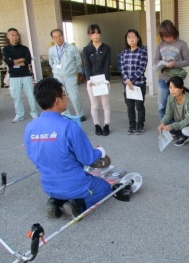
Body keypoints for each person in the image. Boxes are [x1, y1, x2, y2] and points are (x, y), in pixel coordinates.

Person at [24, 78, 113, 219]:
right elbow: (88, 158)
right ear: (58, 101)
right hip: (76, 185)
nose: (67, 98)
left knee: (64, 186)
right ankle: (77, 204)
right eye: (65, 95)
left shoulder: (30, 128)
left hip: (48, 186)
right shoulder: (69, 127)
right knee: (105, 188)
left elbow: (32, 155)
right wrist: (100, 151)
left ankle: (54, 201)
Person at [154, 20, 189, 120]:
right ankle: (164, 130)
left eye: (167, 36)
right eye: (163, 36)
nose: (165, 38)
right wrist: (161, 64)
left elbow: (188, 61)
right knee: (162, 106)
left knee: (175, 106)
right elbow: (155, 60)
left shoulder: (182, 44)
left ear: (173, 32)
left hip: (175, 80)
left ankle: (175, 129)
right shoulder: (161, 45)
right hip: (162, 79)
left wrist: (174, 64)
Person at [48, 29, 86, 121]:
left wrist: (72, 70)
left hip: (70, 76)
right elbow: (51, 62)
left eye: (59, 36)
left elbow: (78, 61)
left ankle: (80, 114)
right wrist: (56, 70)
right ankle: (66, 115)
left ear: (63, 36)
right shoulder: (51, 50)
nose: (58, 38)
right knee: (60, 96)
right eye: (55, 37)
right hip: (58, 77)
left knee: (75, 96)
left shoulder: (71, 48)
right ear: (53, 39)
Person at [2, 28, 38, 123]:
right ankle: (19, 114)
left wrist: (14, 62)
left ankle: (34, 112)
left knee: (30, 95)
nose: (15, 37)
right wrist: (20, 60)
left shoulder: (24, 48)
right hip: (14, 76)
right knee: (16, 96)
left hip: (26, 74)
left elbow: (28, 61)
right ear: (8, 36)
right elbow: (8, 62)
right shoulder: (5, 49)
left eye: (16, 35)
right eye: (12, 35)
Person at [157, 76, 189, 149]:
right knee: (166, 125)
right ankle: (183, 136)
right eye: (170, 87)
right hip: (180, 122)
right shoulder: (170, 97)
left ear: (181, 88)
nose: (172, 90)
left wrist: (172, 126)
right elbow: (168, 114)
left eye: (175, 87)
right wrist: (162, 123)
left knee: (173, 126)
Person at [83, 24, 111, 136]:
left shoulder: (106, 48)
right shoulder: (86, 49)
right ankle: (97, 125)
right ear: (89, 35)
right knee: (94, 105)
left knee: (106, 105)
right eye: (93, 33)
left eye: (98, 32)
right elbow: (87, 65)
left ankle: (107, 125)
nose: (96, 35)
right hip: (92, 81)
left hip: (104, 81)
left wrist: (107, 79)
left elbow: (107, 64)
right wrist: (89, 80)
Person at [121, 29, 148, 135]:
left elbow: (142, 68)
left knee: (140, 106)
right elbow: (122, 68)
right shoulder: (124, 53)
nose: (131, 39)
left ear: (138, 38)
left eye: (133, 37)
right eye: (129, 37)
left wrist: (130, 80)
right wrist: (127, 81)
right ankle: (132, 125)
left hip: (139, 84)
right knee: (130, 106)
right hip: (127, 84)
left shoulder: (143, 52)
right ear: (126, 39)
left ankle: (140, 125)